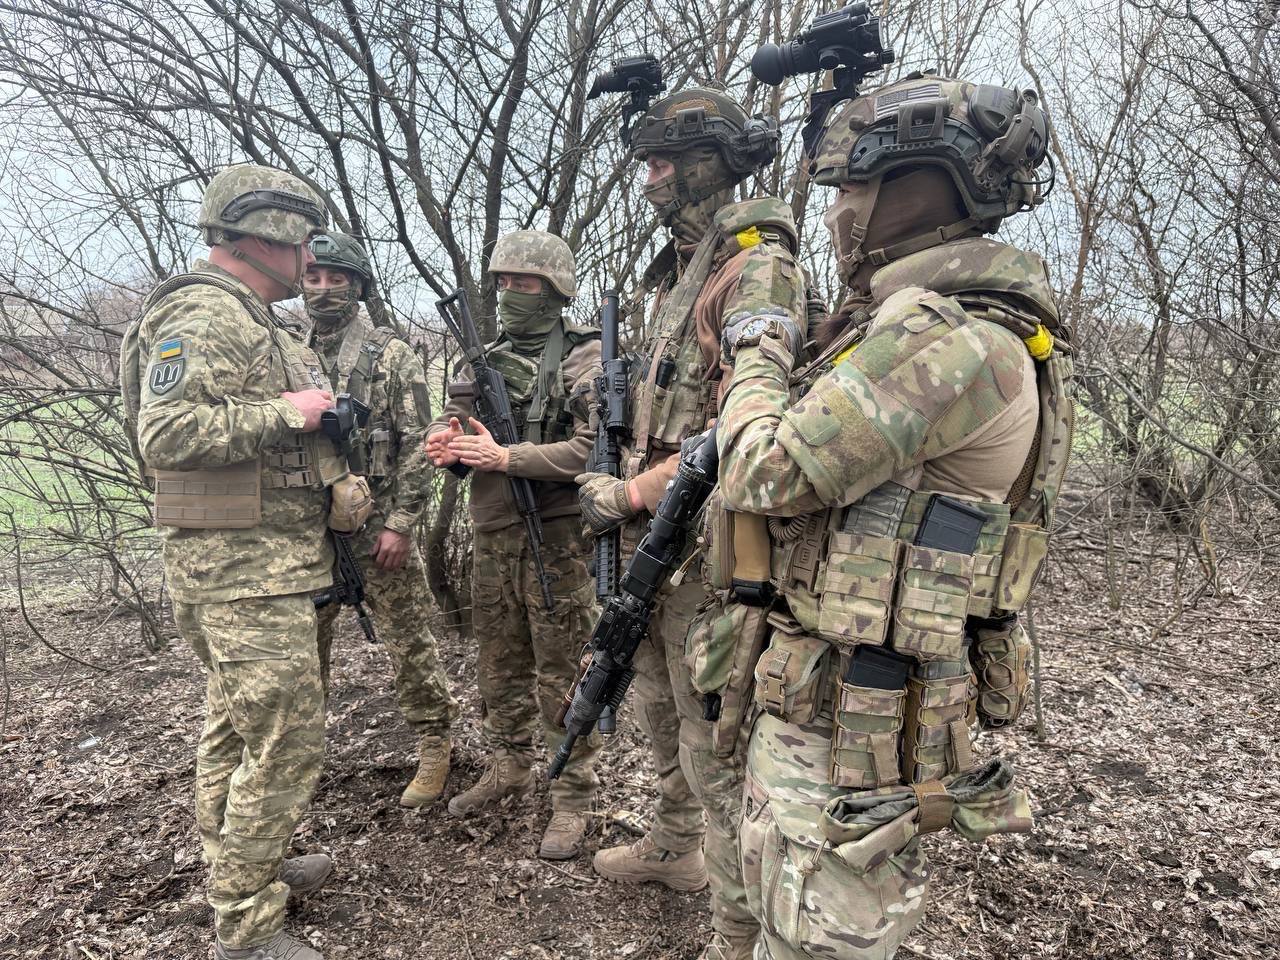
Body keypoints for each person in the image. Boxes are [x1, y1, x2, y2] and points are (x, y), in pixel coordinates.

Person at [714, 74, 1073, 959]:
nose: (838, 213)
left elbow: (763, 469)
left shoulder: (954, 341)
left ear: (919, 191)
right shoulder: (933, 325)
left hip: (851, 724)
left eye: (851, 189)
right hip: (828, 700)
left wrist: (756, 349)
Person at [574, 86, 807, 960]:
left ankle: (735, 935)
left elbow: (752, 422)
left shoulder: (755, 265)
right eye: (646, 163)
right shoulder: (685, 268)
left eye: (664, 162)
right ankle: (675, 850)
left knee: (715, 748)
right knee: (658, 711)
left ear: (712, 162)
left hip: (707, 547)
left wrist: (637, 493)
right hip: (659, 542)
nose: (649, 179)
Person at [124, 164, 342, 960]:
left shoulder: (251, 317)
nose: (310, 258)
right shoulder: (206, 310)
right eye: (304, 240)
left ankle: (243, 869)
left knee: (235, 729)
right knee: (285, 741)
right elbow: (167, 435)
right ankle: (247, 924)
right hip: (240, 572)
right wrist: (290, 412)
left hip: (259, 564)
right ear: (268, 234)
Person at [425, 230, 603, 860]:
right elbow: (456, 424)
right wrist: (446, 444)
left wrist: (510, 457)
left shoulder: (587, 357)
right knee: (498, 663)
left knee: (563, 669)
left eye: (522, 283)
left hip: (558, 538)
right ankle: (510, 766)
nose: (508, 294)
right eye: (501, 282)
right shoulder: (484, 360)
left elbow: (594, 450)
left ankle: (573, 794)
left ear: (553, 290)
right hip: (493, 533)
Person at [302, 231, 459, 807]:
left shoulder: (388, 354)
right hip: (306, 529)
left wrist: (400, 523)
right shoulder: (287, 352)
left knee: (409, 641)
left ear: (358, 285)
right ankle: (300, 758)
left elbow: (419, 444)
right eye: (313, 278)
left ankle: (435, 743)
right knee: (302, 652)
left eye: (336, 279)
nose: (323, 290)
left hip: (377, 525)